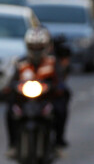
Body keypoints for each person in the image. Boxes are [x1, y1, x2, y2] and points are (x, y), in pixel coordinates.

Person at [4, 28, 62, 156]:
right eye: (33, 47)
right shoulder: (21, 63)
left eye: (39, 47)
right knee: (10, 111)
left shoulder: (52, 62)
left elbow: (60, 81)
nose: (36, 51)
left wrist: (58, 88)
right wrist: (9, 88)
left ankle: (58, 142)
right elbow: (13, 80)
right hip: (25, 101)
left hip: (45, 100)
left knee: (60, 110)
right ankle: (13, 144)